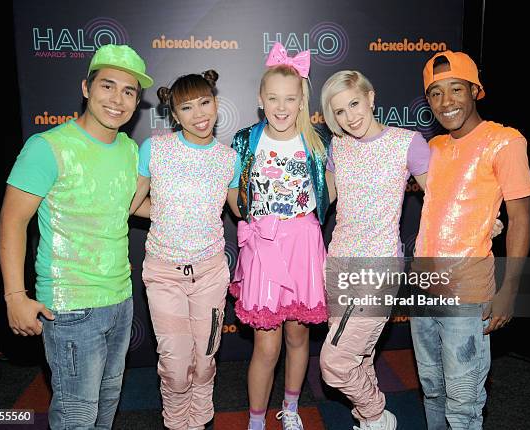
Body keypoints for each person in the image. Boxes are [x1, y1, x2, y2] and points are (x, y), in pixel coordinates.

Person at [0, 44, 153, 429]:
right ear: (87, 88)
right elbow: (11, 223)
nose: (117, 99)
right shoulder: (47, 148)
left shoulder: (130, 150)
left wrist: (195, 207)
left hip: (120, 299)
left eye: (129, 91)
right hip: (69, 307)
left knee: (107, 406)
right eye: (108, 86)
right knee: (76, 415)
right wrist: (15, 297)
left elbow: (126, 207)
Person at [410, 50, 530, 429]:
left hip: (468, 295)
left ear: (475, 90)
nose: (446, 102)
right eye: (435, 93)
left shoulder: (505, 141)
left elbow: (520, 220)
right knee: (432, 390)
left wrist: (509, 289)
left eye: (455, 89)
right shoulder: (431, 149)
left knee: (463, 404)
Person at [318, 70, 430, 430]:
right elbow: (324, 200)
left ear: (370, 96)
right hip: (339, 263)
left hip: (379, 267)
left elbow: (439, 198)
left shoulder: (407, 142)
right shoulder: (338, 147)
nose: (350, 116)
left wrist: (482, 220)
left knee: (335, 362)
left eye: (354, 103)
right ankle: (370, 421)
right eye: (339, 111)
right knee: (358, 355)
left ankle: (377, 415)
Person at [227, 42, 331, 430]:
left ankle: (290, 409)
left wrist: (298, 221)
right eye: (273, 98)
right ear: (260, 99)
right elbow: (234, 198)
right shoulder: (245, 140)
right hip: (263, 245)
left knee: (298, 336)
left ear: (302, 99)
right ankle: (256, 420)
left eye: (290, 99)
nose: (282, 107)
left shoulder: (318, 141)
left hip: (303, 245)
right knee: (266, 345)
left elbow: (329, 193)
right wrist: (260, 223)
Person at [129, 70, 239, 430]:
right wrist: (165, 209)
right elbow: (132, 204)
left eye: (205, 103)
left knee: (206, 361)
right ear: (174, 114)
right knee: (176, 369)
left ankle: (201, 420)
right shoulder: (154, 149)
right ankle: (178, 423)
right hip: (164, 275)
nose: (199, 114)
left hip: (210, 274)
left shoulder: (228, 158)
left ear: (216, 102)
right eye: (187, 108)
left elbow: (241, 209)